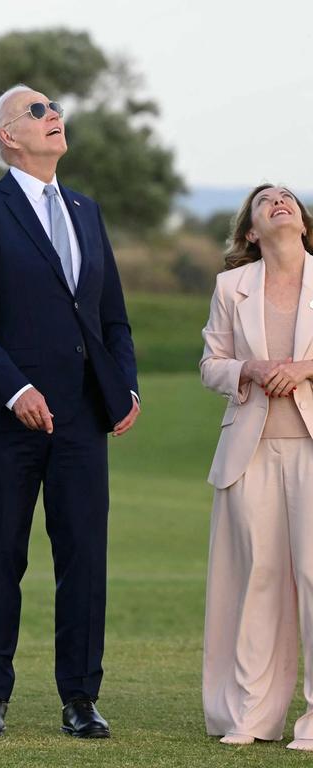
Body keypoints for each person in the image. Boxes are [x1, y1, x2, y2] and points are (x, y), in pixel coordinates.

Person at [0, 84, 139, 739]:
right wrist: (16, 389)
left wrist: (127, 388)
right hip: (5, 422)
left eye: (55, 108)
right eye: (37, 111)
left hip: (84, 420)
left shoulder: (86, 210)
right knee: (0, 557)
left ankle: (81, 700)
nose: (53, 116)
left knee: (83, 559)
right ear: (8, 135)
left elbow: (111, 316)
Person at [200, 184, 313, 751]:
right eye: (265, 200)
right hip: (249, 450)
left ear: (302, 219)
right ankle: (250, 716)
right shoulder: (231, 287)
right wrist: (250, 367)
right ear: (251, 230)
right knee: (258, 579)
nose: (279, 201)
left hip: (311, 451)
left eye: (288, 196)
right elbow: (210, 365)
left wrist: (303, 369)